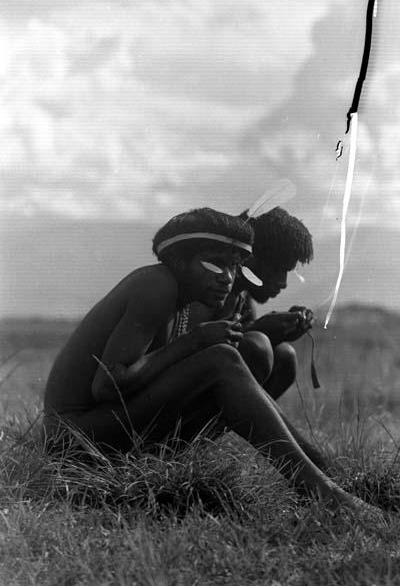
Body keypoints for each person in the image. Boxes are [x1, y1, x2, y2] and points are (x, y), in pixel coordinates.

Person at [43, 207, 379, 514]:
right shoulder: (156, 285)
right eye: (215, 263)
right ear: (178, 261)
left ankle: (320, 472)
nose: (228, 277)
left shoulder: (179, 294)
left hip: (103, 433)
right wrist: (194, 342)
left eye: (234, 267)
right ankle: (320, 489)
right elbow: (108, 384)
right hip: (74, 441)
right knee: (220, 360)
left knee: (224, 359)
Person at [187, 207, 323, 467]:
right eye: (278, 269)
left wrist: (277, 329)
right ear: (249, 259)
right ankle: (312, 468)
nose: (283, 283)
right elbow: (189, 356)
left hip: (186, 417)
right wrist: (259, 331)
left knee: (284, 355)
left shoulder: (240, 300)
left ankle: (192, 449)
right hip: (156, 418)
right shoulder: (207, 294)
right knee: (258, 346)